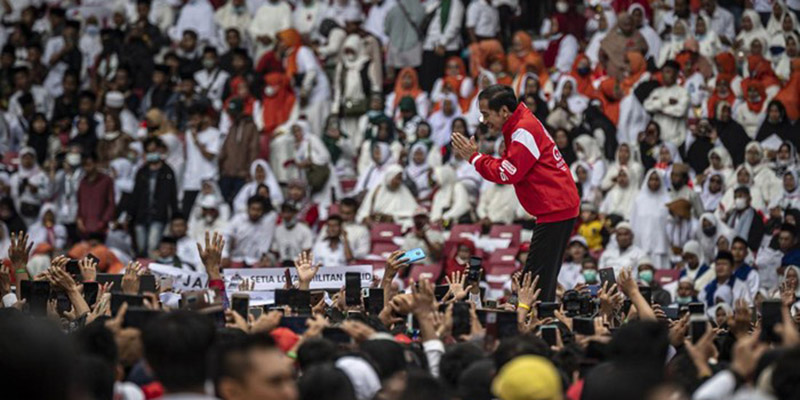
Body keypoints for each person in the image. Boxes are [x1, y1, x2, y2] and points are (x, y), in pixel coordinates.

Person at [451, 84, 580, 301]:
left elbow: (508, 173)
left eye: (485, 114)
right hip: (555, 207)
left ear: (503, 111)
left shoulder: (523, 130)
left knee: (534, 284)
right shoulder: (519, 124)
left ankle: (536, 326)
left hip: (556, 209)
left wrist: (475, 158)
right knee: (538, 280)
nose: (483, 121)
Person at [128, 138, 180, 257]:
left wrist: (174, 215)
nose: (152, 153)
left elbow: (172, 195)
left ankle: (151, 272)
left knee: (153, 247)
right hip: (141, 215)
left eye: (154, 150)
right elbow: (135, 194)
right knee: (141, 248)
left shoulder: (167, 171)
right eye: (149, 151)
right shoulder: (142, 172)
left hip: (159, 215)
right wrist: (131, 215)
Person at [223, 195, 278, 267]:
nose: (255, 212)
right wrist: (225, 255)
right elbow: (226, 236)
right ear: (248, 208)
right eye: (253, 209)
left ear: (263, 211)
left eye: (258, 210)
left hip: (256, 261)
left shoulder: (267, 223)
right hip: (237, 258)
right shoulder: (238, 219)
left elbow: (265, 245)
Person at [643, 61, 690, 147]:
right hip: (657, 139)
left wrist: (658, 107)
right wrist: (666, 102)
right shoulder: (657, 91)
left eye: (668, 72)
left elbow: (680, 111)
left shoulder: (683, 92)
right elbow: (647, 106)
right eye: (663, 72)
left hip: (675, 140)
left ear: (676, 74)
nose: (665, 75)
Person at [76, 152, 115, 238]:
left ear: (96, 163)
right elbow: (79, 202)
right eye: (84, 165)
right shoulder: (82, 182)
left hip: (101, 229)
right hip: (85, 228)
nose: (87, 167)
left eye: (89, 164)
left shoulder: (106, 181)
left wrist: (103, 221)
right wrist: (79, 220)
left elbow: (111, 203)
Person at [726, 186, 766, 252]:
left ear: (749, 199)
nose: (738, 199)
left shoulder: (756, 218)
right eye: (736, 197)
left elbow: (755, 240)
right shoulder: (731, 215)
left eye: (741, 196)